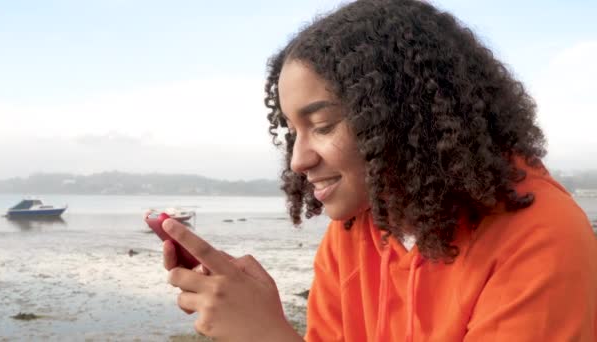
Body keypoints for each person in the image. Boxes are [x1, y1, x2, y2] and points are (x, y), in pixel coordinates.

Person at [162, 0, 597, 340]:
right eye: (292, 131)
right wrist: (251, 315)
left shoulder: (540, 237)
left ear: (406, 115)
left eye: (323, 126)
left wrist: (266, 334)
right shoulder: (357, 233)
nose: (298, 160)